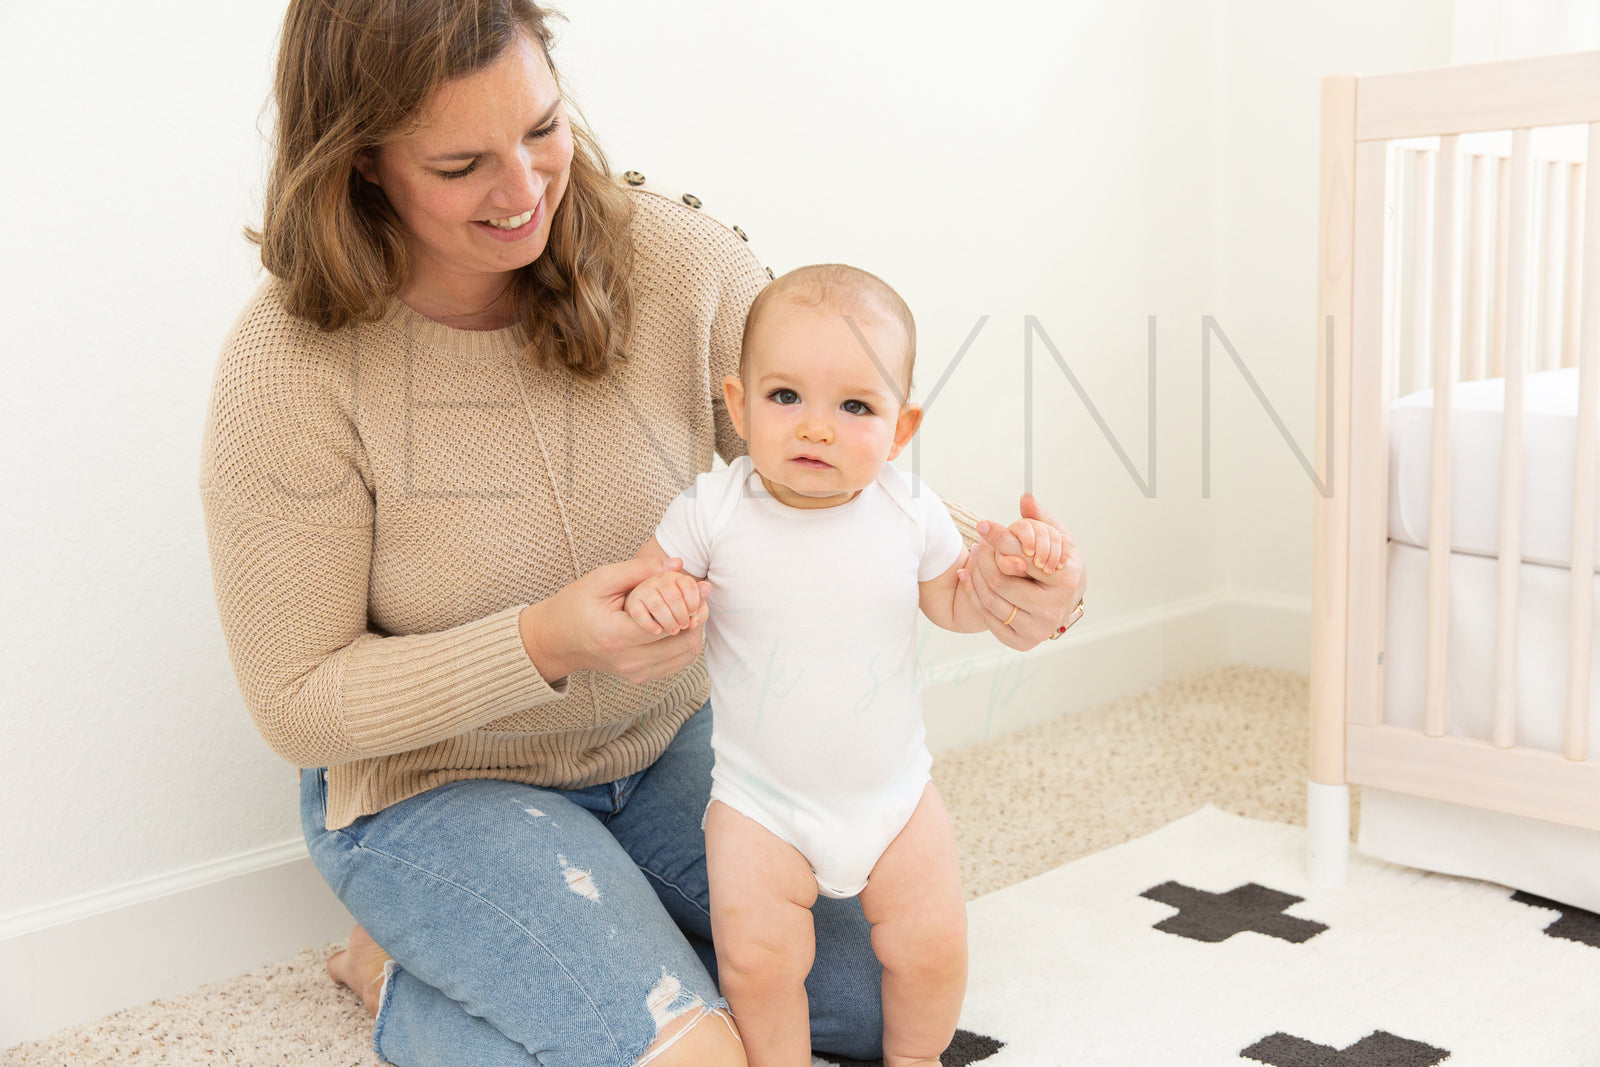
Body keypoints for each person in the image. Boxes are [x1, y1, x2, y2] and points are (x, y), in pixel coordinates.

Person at [199, 1, 1086, 1064]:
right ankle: (394, 971)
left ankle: (587, 963)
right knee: (703, 1055)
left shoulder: (675, 258)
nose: (525, 189)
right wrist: (542, 642)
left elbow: (830, 454)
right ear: (364, 164)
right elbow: (296, 701)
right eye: (461, 163)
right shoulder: (288, 366)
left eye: (540, 128)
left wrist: (1003, 573)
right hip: (435, 788)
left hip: (667, 746)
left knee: (866, 994)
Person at [623, 264, 1066, 1067]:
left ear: (900, 429)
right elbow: (648, 581)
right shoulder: (712, 510)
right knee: (760, 964)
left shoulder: (909, 508)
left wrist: (1012, 567)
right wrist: (659, 596)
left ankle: (917, 1059)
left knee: (933, 946)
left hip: (894, 797)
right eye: (785, 397)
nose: (816, 427)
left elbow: (957, 605)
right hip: (759, 806)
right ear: (738, 404)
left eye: (855, 405)